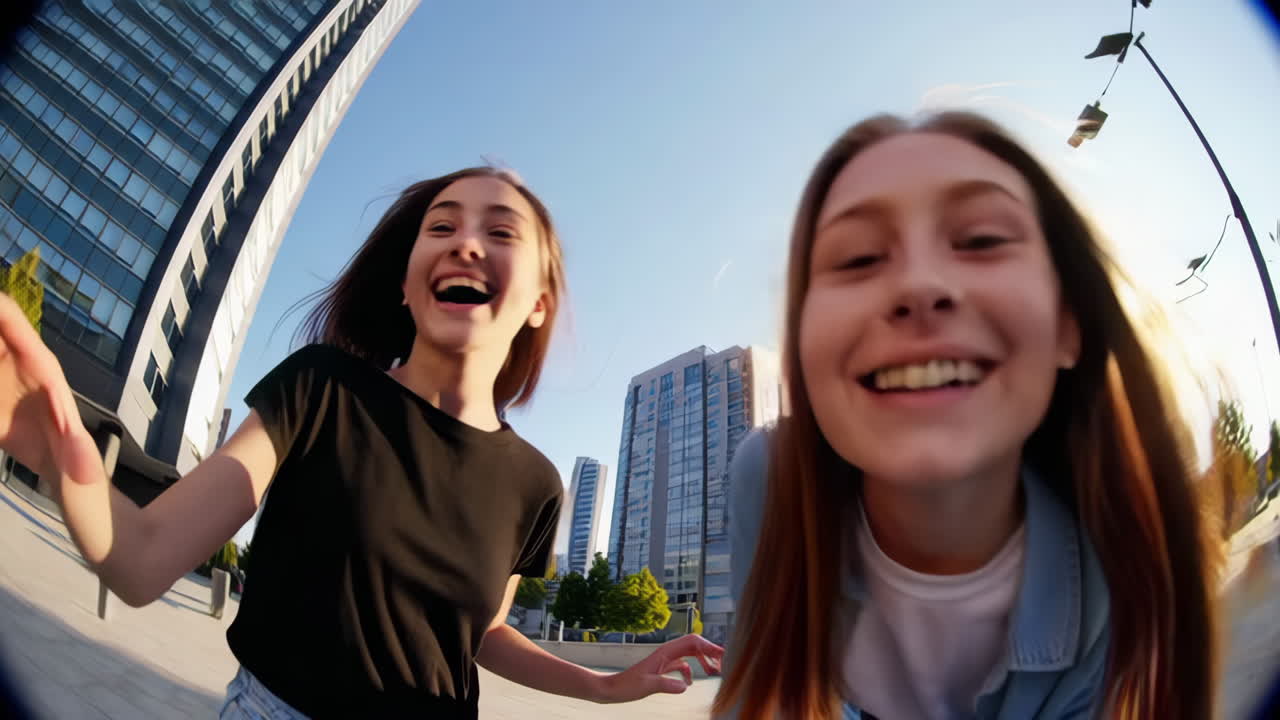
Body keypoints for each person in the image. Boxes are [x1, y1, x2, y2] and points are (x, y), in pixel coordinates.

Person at [0, 167, 721, 719]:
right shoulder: (321, 389)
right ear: (406, 284)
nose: (466, 242)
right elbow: (141, 560)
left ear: (538, 301)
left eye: (502, 233)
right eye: (441, 228)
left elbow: (481, 632)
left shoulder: (536, 483)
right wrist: (60, 452)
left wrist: (604, 685)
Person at [712, 112, 1219, 719]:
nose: (920, 286)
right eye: (857, 258)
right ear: (802, 350)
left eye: (982, 240)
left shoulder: (1120, 565)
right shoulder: (769, 477)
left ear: (1068, 325)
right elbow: (758, 697)